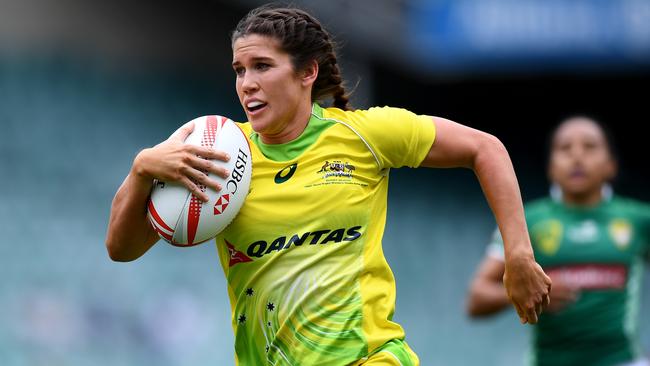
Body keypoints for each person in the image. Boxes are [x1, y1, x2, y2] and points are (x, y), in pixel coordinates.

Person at [106, 5, 551, 365]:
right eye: (240, 70)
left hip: (371, 357)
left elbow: (485, 149)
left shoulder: (365, 135)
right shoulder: (218, 158)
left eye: (262, 66)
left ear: (307, 73)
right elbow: (121, 249)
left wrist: (518, 254)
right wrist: (141, 169)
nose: (247, 84)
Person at [466, 116, 650, 366]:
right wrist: (529, 293)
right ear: (551, 167)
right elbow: (477, 299)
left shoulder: (638, 219)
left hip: (621, 360)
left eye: (590, 147)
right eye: (565, 148)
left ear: (611, 165)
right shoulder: (527, 220)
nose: (577, 157)